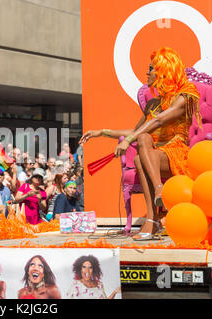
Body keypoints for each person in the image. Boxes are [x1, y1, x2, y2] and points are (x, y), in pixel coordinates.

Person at [79, 47, 201, 241]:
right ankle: (155, 208)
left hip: (177, 154)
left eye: (151, 68)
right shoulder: (152, 104)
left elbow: (159, 121)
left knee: (142, 147)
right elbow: (136, 132)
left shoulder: (185, 96)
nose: (147, 72)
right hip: (154, 156)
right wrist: (102, 132)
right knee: (142, 145)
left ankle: (153, 216)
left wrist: (128, 141)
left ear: (164, 71)